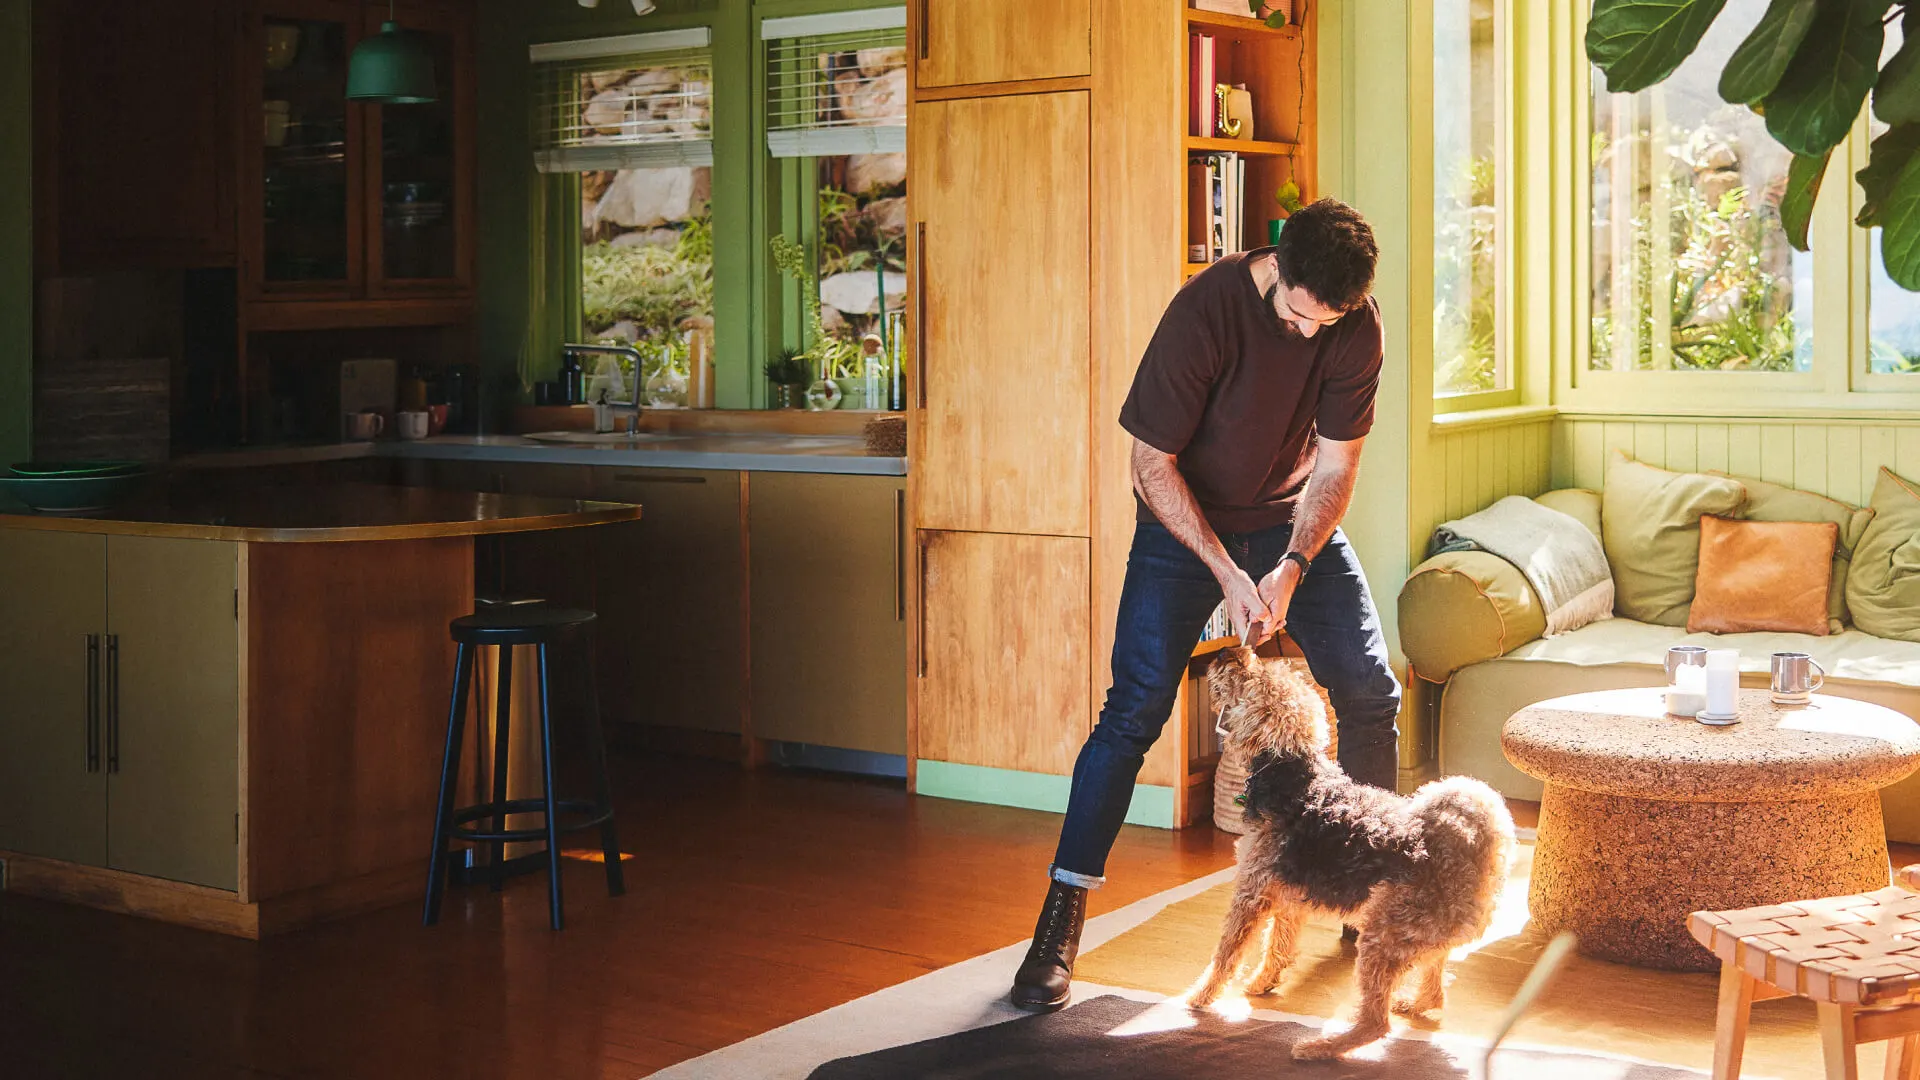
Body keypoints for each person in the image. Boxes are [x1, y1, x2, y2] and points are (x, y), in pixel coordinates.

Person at [1009, 198, 1401, 1010]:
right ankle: (1060, 920)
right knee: (1133, 709)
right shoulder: (1204, 311)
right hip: (1184, 526)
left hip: (1289, 520)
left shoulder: (1354, 325)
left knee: (1369, 689)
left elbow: (1334, 469)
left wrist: (1292, 564)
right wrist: (1226, 571)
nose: (1310, 332)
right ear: (1276, 269)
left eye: (1329, 320)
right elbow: (1150, 464)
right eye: (1299, 314)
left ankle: (1372, 900)